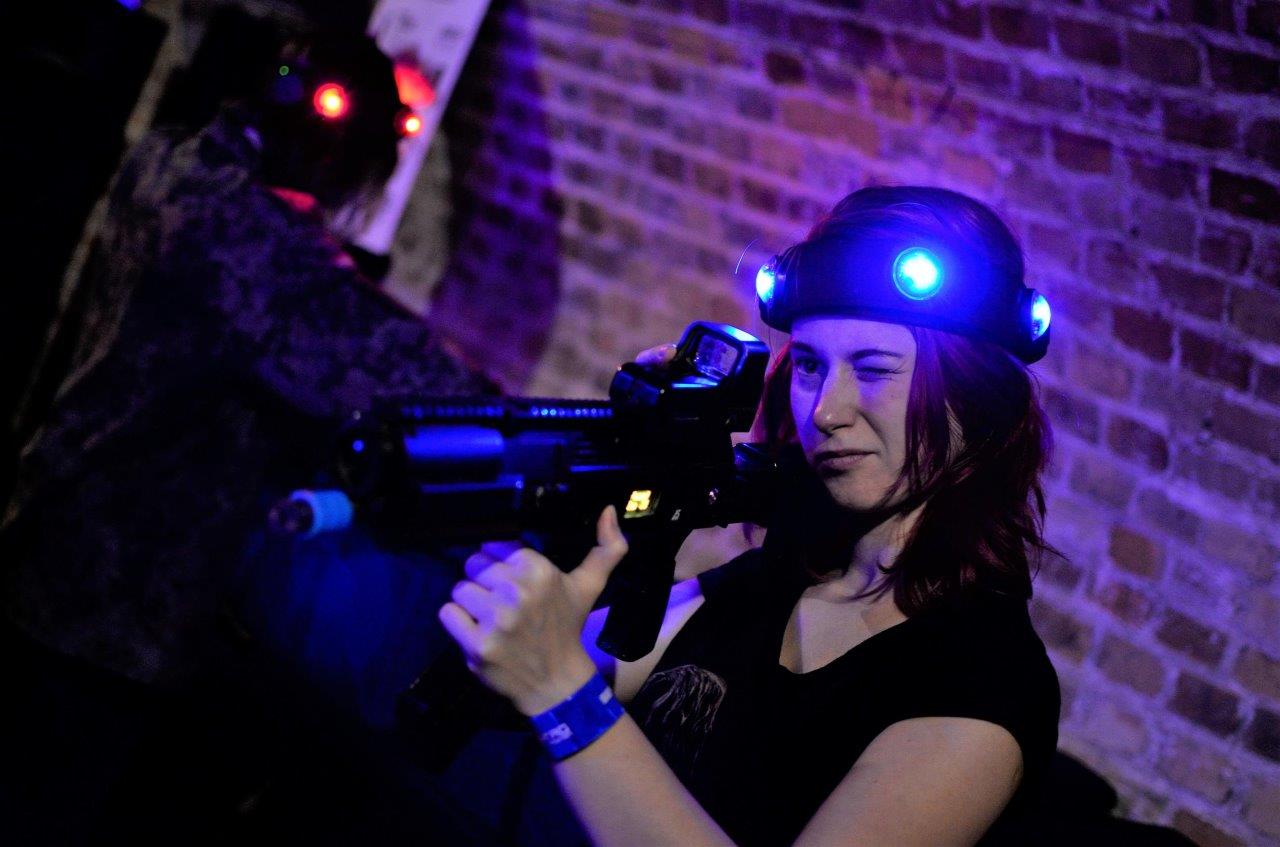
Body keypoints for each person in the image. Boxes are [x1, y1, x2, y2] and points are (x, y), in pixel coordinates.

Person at [438, 185, 1062, 846]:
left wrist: (563, 690)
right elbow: (527, 677)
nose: (825, 410)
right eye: (811, 365)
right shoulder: (765, 586)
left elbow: (565, 688)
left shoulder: (984, 679)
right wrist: (573, 536)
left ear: (976, 400)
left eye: (875, 369)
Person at [0, 28, 494, 840]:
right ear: (330, 153)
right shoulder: (252, 244)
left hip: (47, 533)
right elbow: (408, 377)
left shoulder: (171, 163)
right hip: (112, 614)